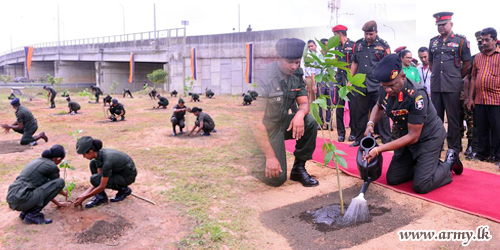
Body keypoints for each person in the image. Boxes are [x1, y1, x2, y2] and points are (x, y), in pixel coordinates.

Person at [364, 54, 462, 194]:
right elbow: (379, 106)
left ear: (403, 77)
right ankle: (424, 165)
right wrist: (370, 123)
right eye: (384, 86)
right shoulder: (385, 87)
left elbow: (413, 136)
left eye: (391, 86)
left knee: (421, 185)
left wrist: (379, 149)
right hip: (405, 138)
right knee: (393, 178)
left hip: (428, 138)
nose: (387, 90)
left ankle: (449, 162)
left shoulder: (416, 95)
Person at [254, 38, 319, 187]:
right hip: (264, 129)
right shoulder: (262, 77)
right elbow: (255, 123)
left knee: (309, 122)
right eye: (290, 62)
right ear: (278, 57)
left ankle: (298, 169)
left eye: (297, 62)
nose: (294, 66)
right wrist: (270, 157)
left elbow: (303, 103)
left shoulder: (296, 74)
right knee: (276, 179)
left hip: (281, 123)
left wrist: (299, 115)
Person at [428, 12, 471, 157]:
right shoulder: (433, 41)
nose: (440, 28)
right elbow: (431, 62)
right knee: (436, 117)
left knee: (453, 118)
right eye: (438, 25)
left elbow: (467, 64)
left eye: (443, 25)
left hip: (452, 86)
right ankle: (437, 145)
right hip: (436, 85)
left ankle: (454, 147)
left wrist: (456, 77)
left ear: (451, 24)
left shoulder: (461, 41)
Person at [351, 20, 392, 146]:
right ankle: (358, 139)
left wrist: (386, 82)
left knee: (381, 112)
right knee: (360, 112)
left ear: (376, 32)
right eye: (366, 34)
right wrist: (350, 80)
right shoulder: (358, 45)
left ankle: (386, 139)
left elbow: (387, 64)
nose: (368, 37)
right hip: (361, 84)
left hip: (377, 84)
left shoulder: (383, 45)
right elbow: (355, 63)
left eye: (371, 34)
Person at [6, 145, 71, 224]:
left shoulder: (38, 160)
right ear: (58, 159)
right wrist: (65, 194)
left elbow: (45, 191)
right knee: (60, 182)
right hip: (22, 199)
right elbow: (54, 188)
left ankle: (26, 212)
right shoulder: (52, 166)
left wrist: (58, 203)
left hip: (13, 197)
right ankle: (32, 215)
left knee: (36, 190)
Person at [467, 27, 500, 168]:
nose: (484, 43)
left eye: (487, 40)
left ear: (495, 40)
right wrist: (470, 98)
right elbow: (473, 78)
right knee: (481, 129)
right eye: (482, 40)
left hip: (496, 100)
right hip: (480, 99)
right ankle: (482, 154)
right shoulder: (478, 58)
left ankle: (498, 157)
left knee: (497, 129)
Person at [74, 137, 137, 208]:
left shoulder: (107, 161)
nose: (83, 157)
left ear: (91, 152)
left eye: (84, 154)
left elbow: (101, 185)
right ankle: (101, 197)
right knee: (93, 164)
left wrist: (84, 197)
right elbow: (99, 178)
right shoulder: (98, 155)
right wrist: (83, 195)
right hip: (118, 172)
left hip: (127, 177)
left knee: (94, 179)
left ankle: (123, 190)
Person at [333, 24, 356, 142]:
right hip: (340, 81)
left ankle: (353, 132)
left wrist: (351, 80)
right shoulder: (337, 48)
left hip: (350, 81)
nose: (333, 37)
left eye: (335, 35)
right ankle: (341, 133)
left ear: (340, 34)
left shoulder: (353, 45)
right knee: (339, 107)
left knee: (353, 107)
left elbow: (355, 64)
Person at [463, 31, 483, 160]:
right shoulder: (475, 58)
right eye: (479, 42)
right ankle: (472, 147)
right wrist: (467, 97)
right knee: (473, 123)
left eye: (483, 41)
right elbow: (468, 79)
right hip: (475, 97)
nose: (481, 44)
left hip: (492, 98)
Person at [305, 40, 320, 105]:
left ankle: (321, 114)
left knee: (319, 96)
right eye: (309, 47)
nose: (310, 48)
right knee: (311, 97)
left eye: (312, 46)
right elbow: (308, 70)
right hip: (310, 78)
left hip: (319, 78)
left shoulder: (320, 55)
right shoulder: (307, 56)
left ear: (316, 46)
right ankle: (312, 113)